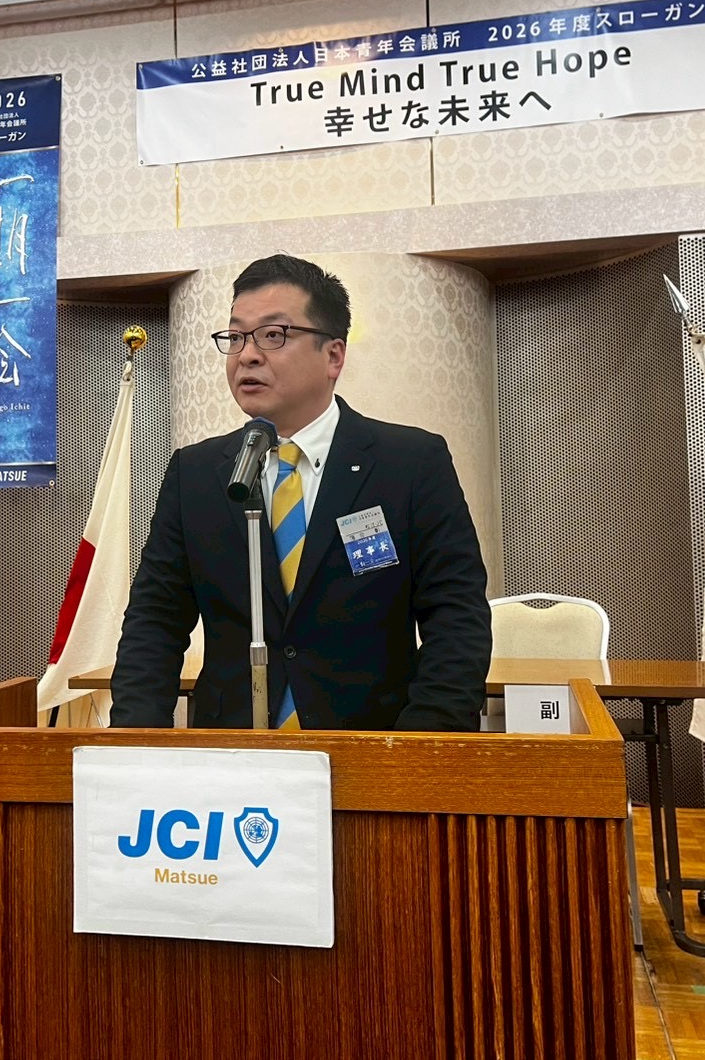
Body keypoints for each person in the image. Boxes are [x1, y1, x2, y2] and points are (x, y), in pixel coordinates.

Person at [110, 253, 491, 730]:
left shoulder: (410, 463)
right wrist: (135, 743)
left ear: (333, 356)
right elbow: (155, 620)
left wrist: (419, 750)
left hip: (373, 748)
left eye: (273, 335)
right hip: (233, 755)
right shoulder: (197, 473)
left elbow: (456, 618)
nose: (247, 355)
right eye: (236, 337)